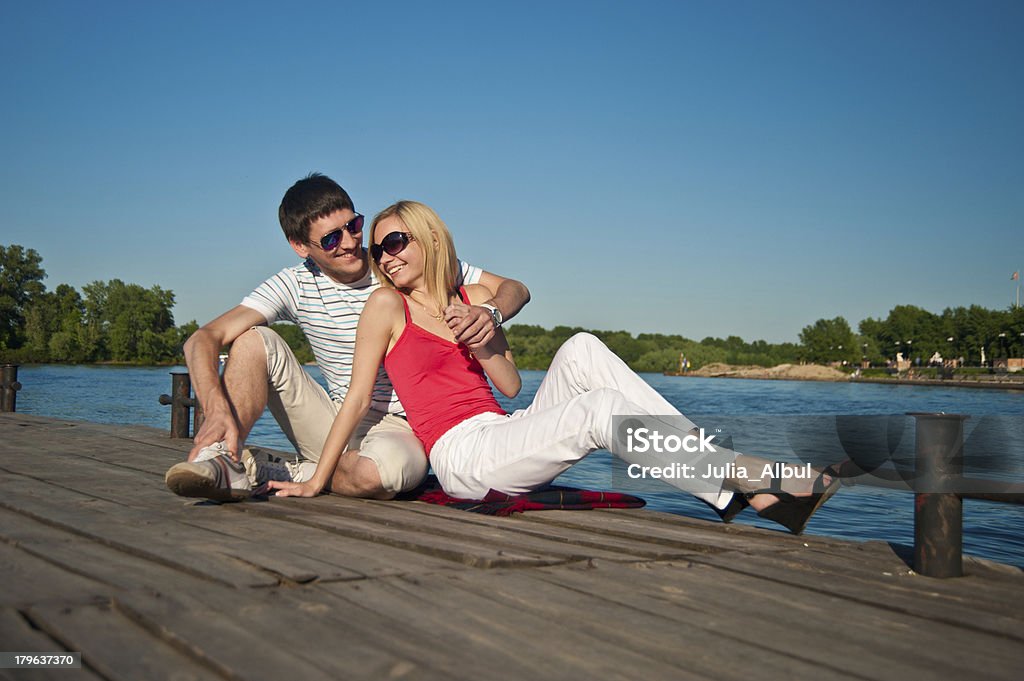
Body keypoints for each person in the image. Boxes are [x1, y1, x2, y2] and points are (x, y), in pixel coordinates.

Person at [268, 201, 842, 534]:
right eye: (378, 250)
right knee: (598, 412)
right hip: (461, 454)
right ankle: (750, 478)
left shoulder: (466, 297)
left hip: (498, 428)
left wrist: (487, 330)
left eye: (394, 241)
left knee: (584, 347)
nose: (385, 256)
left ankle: (730, 488)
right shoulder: (385, 306)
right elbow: (355, 398)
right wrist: (318, 479)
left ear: (427, 238)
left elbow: (511, 387)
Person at [164, 175, 530, 502]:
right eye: (331, 238)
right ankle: (222, 456)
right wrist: (214, 407)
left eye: (354, 225)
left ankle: (289, 471)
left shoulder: (395, 258)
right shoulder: (294, 284)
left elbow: (515, 289)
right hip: (337, 416)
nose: (352, 243)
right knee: (253, 338)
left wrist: (492, 312)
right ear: (300, 246)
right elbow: (203, 339)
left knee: (386, 475)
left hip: (402, 425)